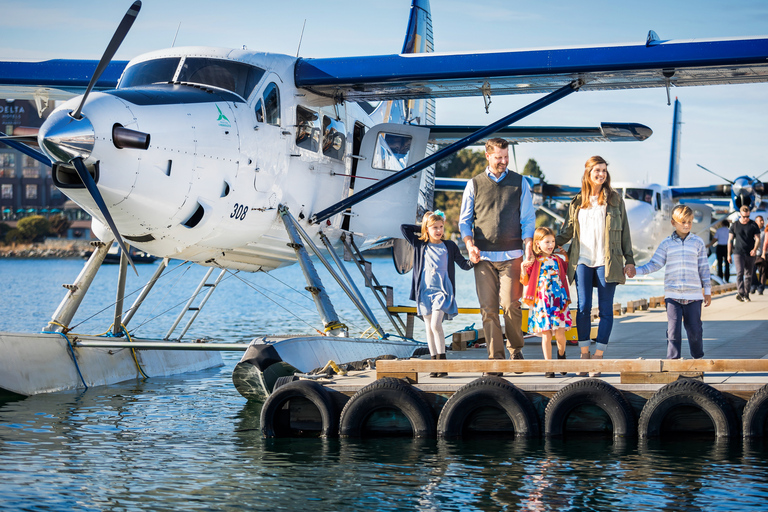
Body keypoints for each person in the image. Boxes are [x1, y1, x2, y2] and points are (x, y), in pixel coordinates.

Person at [459, 138, 536, 376]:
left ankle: (516, 349)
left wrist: (529, 248)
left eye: (506, 157)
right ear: (488, 156)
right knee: (488, 309)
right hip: (482, 257)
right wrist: (470, 245)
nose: (503, 161)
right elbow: (465, 221)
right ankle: (495, 359)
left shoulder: (520, 182)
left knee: (511, 305)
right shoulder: (474, 184)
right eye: (499, 157)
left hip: (512, 255)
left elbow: (528, 220)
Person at [555, 156, 635, 377]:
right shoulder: (577, 201)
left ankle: (598, 356)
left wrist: (629, 260)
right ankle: (584, 354)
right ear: (588, 173)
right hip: (581, 260)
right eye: (597, 170)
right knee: (582, 308)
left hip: (607, 261)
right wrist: (546, 244)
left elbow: (625, 233)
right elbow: (567, 232)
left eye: (604, 170)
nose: (601, 174)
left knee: (605, 310)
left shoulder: (616, 200)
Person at [634, 205, 712, 359]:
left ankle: (697, 358)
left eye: (689, 222)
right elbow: (654, 264)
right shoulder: (666, 244)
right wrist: (635, 271)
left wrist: (707, 291)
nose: (687, 225)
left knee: (695, 330)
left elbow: (704, 268)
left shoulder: (697, 242)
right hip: (673, 296)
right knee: (673, 331)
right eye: (683, 222)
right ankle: (673, 361)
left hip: (694, 296)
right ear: (673, 223)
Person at [401, 210, 473, 378]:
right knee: (428, 327)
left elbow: (463, 264)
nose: (439, 230)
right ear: (427, 229)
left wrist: (474, 260)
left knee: (435, 325)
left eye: (441, 226)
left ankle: (443, 362)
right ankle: (435, 365)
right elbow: (404, 228)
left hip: (443, 290)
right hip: (425, 291)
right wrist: (425, 224)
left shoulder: (449, 246)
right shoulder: (420, 244)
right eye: (435, 227)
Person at [522, 227, 571, 378]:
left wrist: (566, 257)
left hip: (558, 300)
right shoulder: (534, 261)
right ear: (537, 244)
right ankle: (548, 365)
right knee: (546, 335)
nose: (551, 245)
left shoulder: (557, 259)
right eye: (547, 242)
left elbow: (565, 271)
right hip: (542, 302)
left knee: (561, 333)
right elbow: (525, 280)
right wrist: (523, 268)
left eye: (553, 241)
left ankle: (561, 356)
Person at [728, 205, 761, 302]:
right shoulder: (734, 225)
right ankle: (741, 293)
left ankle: (746, 294)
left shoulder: (753, 225)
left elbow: (758, 239)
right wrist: (728, 254)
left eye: (748, 216)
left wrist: (755, 249)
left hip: (750, 253)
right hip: (738, 252)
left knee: (749, 275)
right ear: (740, 215)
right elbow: (729, 240)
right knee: (739, 273)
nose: (746, 219)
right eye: (744, 217)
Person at [750, 215, 765, 295]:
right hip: (753, 254)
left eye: (762, 220)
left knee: (763, 272)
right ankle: (753, 285)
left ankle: (760, 288)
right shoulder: (752, 230)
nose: (762, 222)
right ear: (756, 222)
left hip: (763, 254)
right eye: (760, 220)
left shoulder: (765, 230)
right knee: (752, 271)